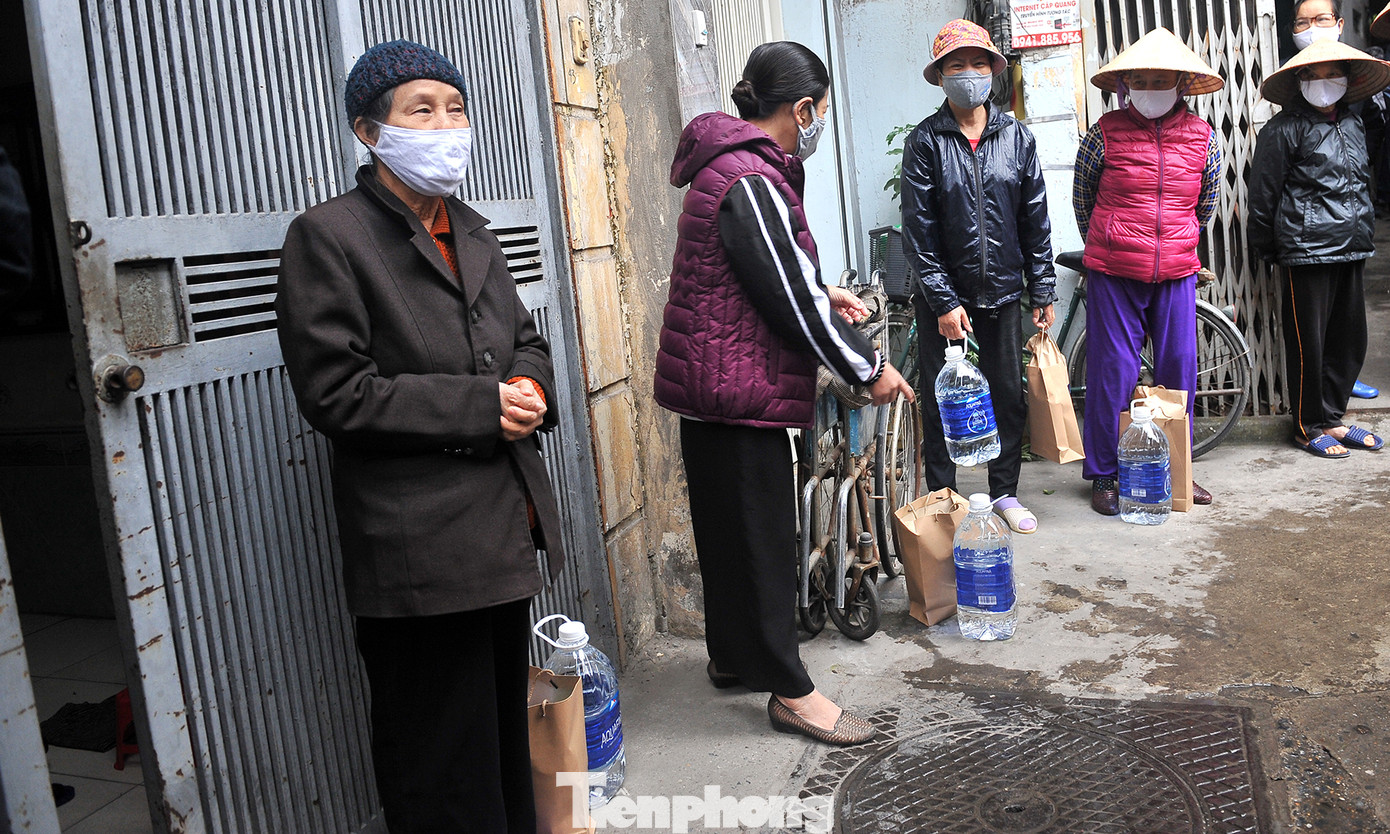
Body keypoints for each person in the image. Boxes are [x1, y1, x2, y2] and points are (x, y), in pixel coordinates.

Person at [275, 40, 565, 832]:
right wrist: (480, 405)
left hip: (501, 534)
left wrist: (532, 386)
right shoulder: (328, 236)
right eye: (421, 110)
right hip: (419, 552)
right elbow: (336, 393)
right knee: (439, 764)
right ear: (370, 132)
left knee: (502, 745)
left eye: (456, 106)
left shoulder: (470, 229)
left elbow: (524, 340)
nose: (446, 124)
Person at [655, 41, 913, 746]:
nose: (819, 124)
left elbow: (773, 274)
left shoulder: (733, 171)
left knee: (732, 539)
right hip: (736, 393)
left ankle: (733, 659)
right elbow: (790, 304)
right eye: (820, 112)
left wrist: (822, 291)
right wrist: (867, 368)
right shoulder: (750, 180)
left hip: (717, 390)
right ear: (801, 109)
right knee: (764, 545)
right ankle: (792, 693)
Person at [900, 19, 1056, 535]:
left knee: (1007, 397)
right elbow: (919, 232)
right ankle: (944, 498)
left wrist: (1043, 287)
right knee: (943, 399)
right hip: (944, 299)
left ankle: (1005, 492)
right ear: (941, 77)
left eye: (978, 63)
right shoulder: (926, 142)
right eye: (956, 66)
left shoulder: (1017, 137)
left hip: (1005, 292)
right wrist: (943, 301)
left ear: (994, 70)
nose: (968, 74)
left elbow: (1035, 218)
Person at [1072, 27, 1222, 516]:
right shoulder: (1104, 133)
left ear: (1181, 82)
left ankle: (1178, 469)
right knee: (1113, 372)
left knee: (1179, 369)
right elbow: (1083, 200)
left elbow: (1205, 205)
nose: (1152, 85)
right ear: (1126, 83)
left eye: (1162, 77)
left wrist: (1174, 242)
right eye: (1142, 77)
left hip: (1176, 269)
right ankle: (1104, 475)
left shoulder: (1204, 138)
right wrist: (1113, 240)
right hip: (1114, 271)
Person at [1246, 39, 1390, 459]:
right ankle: (1308, 426)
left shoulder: (1353, 123)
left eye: (1333, 74)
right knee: (1309, 342)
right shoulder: (1282, 129)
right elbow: (1263, 196)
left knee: (1349, 340)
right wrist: (1269, 248)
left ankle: (1334, 418)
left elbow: (1363, 182)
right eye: (1313, 74)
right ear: (1299, 81)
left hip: (1352, 245)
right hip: (1306, 249)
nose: (1324, 82)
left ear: (1347, 80)